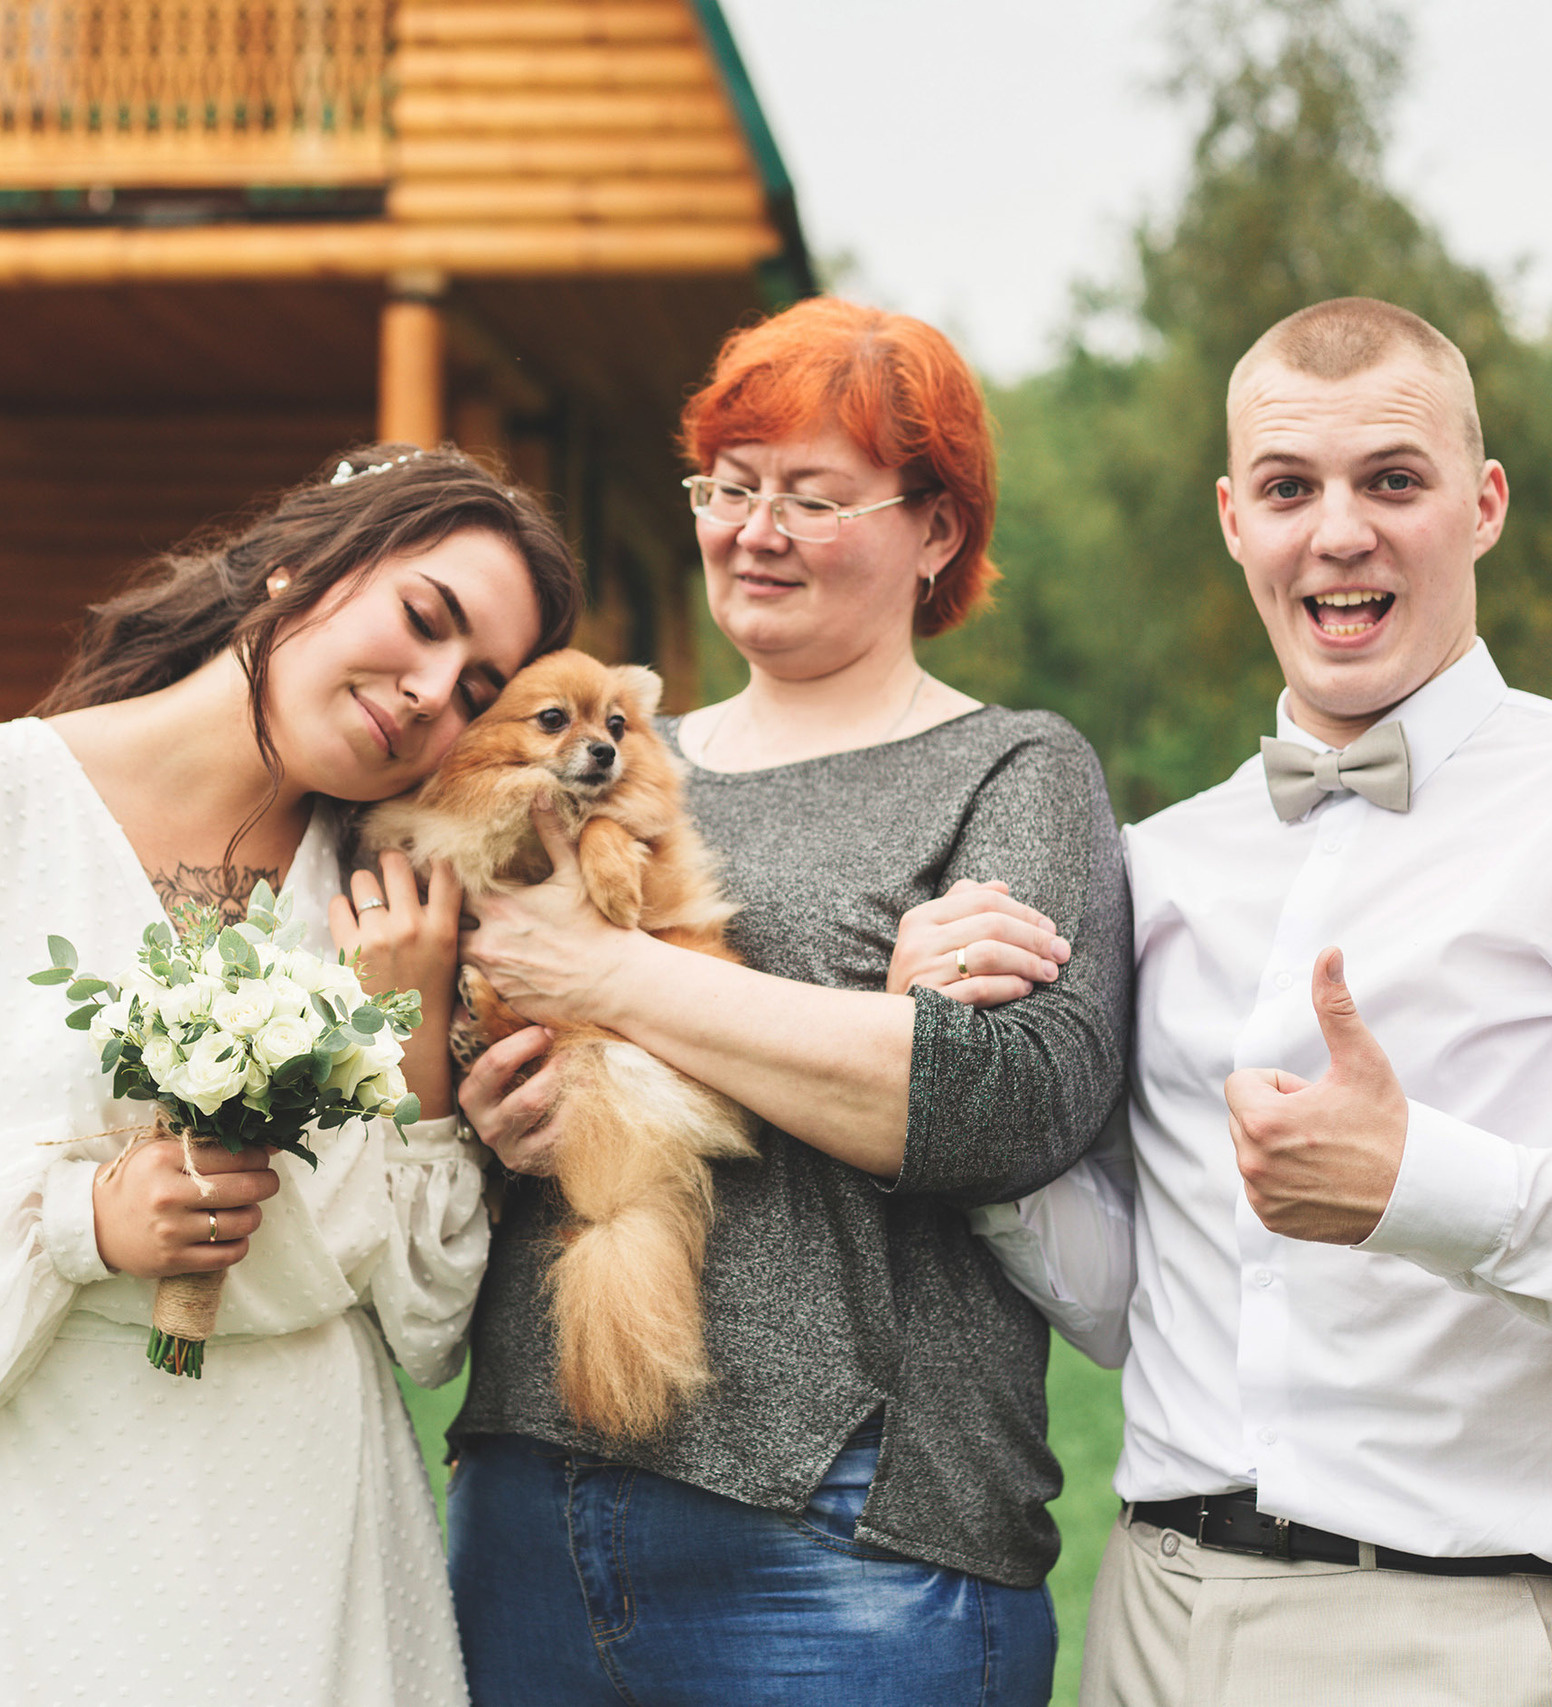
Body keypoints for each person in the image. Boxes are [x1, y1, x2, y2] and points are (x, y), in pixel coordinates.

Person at [978, 297, 1552, 1706]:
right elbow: (1135, 1306)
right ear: (1234, 520)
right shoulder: (1157, 861)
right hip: (1151, 1616)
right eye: (1288, 488)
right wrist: (964, 1091)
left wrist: (1418, 1184)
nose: (1339, 532)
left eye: (1391, 480)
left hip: (1455, 1633)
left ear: (1482, 505)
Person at [0, 446, 582, 1707]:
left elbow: (429, 1319)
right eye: (424, 619)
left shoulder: (402, 892)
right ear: (301, 565)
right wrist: (77, 1217)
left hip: (303, 1513)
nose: (432, 693)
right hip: (17, 1490)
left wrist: (417, 1020)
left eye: (477, 689)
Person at [442, 297, 1133, 1707]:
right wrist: (495, 1093)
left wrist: (613, 976)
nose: (753, 531)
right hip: (533, 1494)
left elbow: (1002, 1105)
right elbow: (484, 996)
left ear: (935, 529)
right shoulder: (597, 749)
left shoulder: (1010, 771)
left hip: (848, 1534)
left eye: (811, 498)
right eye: (728, 487)